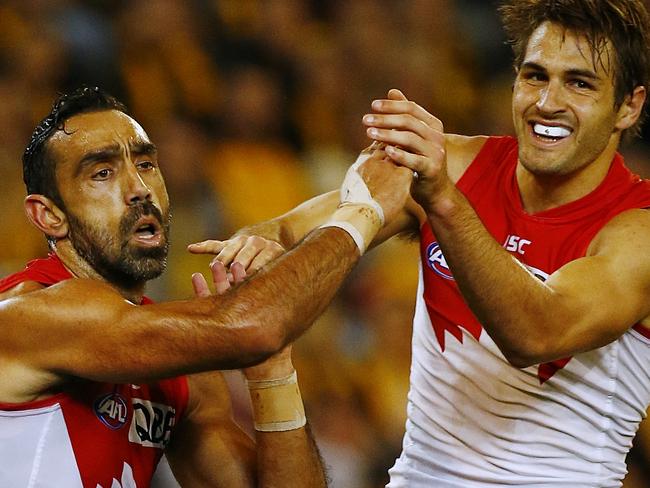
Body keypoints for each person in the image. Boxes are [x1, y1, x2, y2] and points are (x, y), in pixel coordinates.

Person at [192, 1, 650, 486]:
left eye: (580, 83)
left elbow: (535, 335)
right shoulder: (455, 164)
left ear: (629, 105)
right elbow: (287, 229)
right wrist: (256, 244)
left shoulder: (636, 233)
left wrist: (445, 203)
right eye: (536, 76)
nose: (547, 102)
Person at [0, 86, 412, 487]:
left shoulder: (179, 372)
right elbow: (254, 326)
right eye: (103, 172)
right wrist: (363, 212)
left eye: (145, 164)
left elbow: (257, 332)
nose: (139, 189)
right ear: (48, 216)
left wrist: (273, 368)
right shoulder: (28, 315)